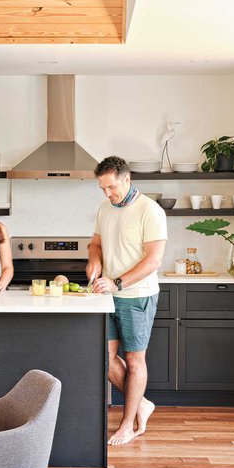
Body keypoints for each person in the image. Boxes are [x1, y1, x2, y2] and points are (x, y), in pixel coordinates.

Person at [87, 156, 167, 446]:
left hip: (137, 296)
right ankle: (142, 405)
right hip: (107, 296)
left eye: (111, 187)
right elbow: (95, 244)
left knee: (135, 360)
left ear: (126, 179)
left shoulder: (150, 211)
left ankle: (126, 425)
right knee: (102, 357)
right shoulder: (105, 208)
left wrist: (117, 281)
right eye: (102, 188)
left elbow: (153, 260)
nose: (108, 194)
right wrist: (94, 262)